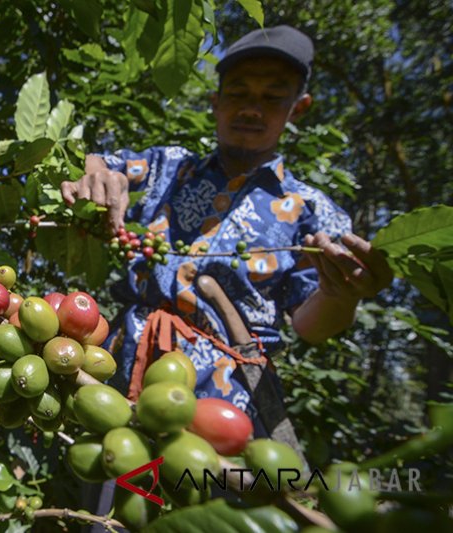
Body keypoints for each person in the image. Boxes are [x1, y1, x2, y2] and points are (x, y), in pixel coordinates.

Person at [61, 25, 394, 434]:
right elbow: (99, 163)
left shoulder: (312, 212)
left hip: (227, 401)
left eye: (272, 97)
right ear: (216, 101)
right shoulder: (171, 168)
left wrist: (341, 293)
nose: (252, 108)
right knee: (116, 482)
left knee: (203, 491)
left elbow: (311, 325)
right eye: (238, 92)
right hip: (124, 373)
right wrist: (93, 171)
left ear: (299, 108)